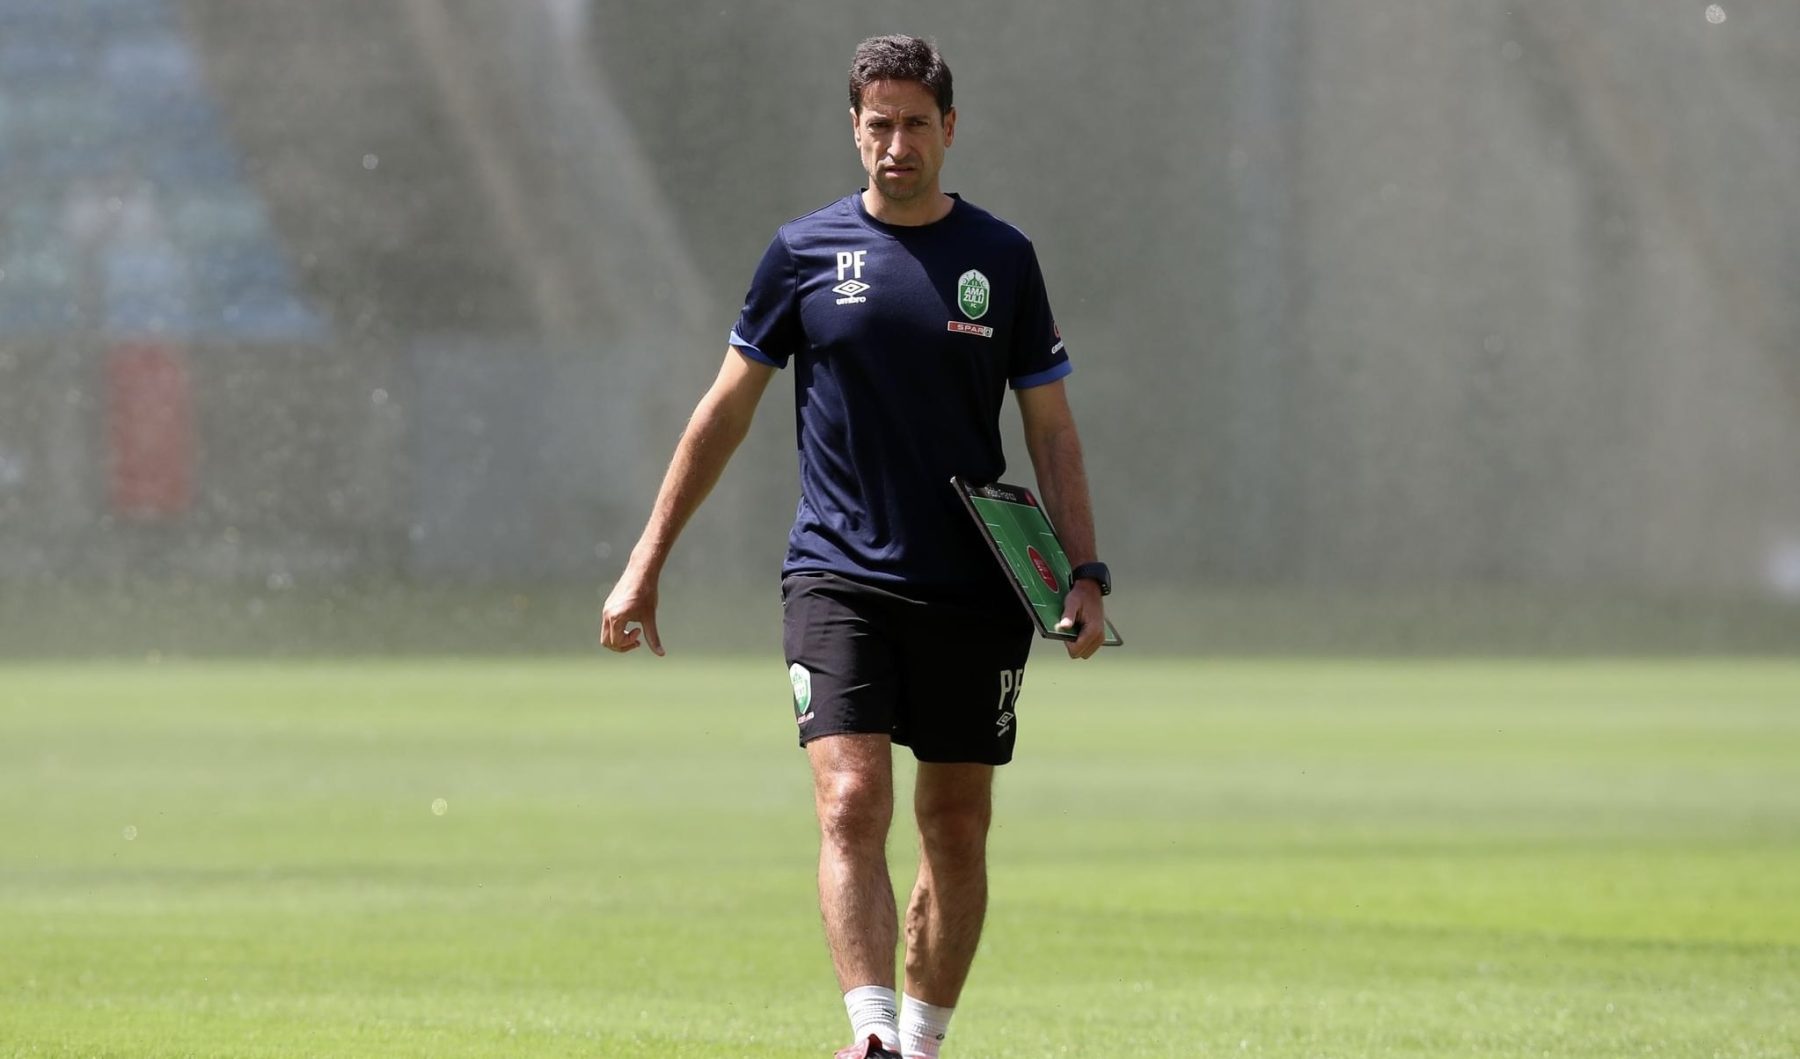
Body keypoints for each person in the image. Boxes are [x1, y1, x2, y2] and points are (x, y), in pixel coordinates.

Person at [599, 34, 1112, 1059]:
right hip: (837, 576)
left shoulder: (1001, 261)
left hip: (975, 586)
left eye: (915, 123)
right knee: (850, 799)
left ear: (949, 129)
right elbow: (724, 414)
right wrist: (645, 560)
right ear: (854, 128)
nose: (896, 143)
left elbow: (1051, 430)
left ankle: (921, 1044)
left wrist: (1085, 573)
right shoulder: (802, 255)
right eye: (877, 123)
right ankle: (871, 1033)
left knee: (956, 825)